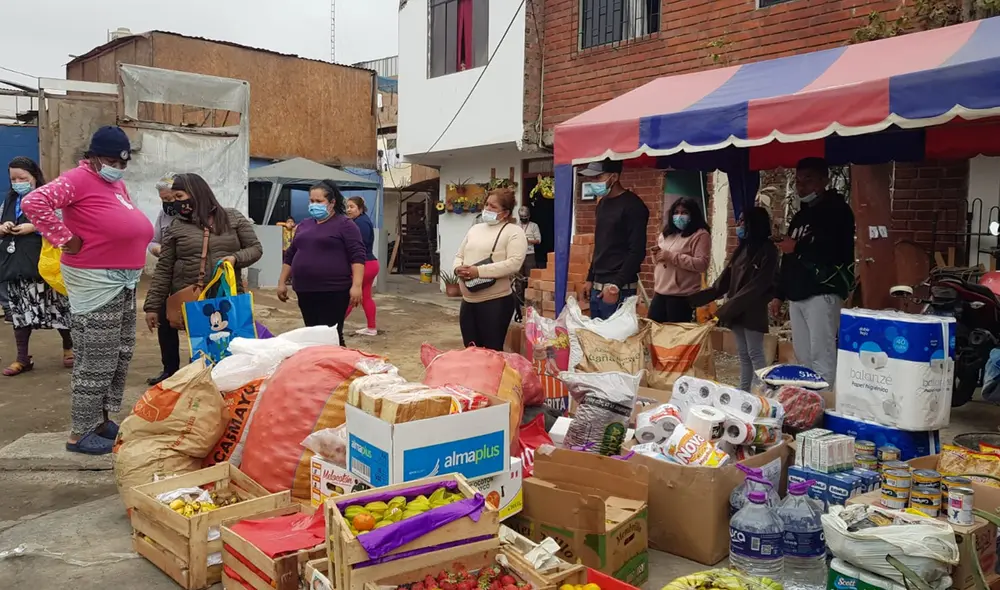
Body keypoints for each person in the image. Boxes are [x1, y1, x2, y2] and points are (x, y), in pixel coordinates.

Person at [22, 126, 154, 455]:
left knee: (119, 353)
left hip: (122, 281)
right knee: (95, 357)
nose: (118, 167)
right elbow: (34, 202)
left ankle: (101, 419)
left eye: (123, 162)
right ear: (93, 158)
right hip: (95, 282)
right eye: (112, 160)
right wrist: (65, 238)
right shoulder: (78, 179)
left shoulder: (115, 183)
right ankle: (81, 432)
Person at [143, 173, 263, 375]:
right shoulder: (176, 226)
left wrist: (235, 258)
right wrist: (152, 307)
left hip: (226, 298)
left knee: (228, 350)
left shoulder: (232, 218)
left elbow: (255, 248)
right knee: (199, 352)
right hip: (192, 300)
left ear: (196, 193)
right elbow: (164, 268)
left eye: (179, 197)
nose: (177, 203)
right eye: (173, 199)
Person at [769, 157, 855, 385]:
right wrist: (779, 294)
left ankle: (825, 401)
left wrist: (797, 247)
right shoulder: (800, 216)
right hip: (798, 291)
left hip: (822, 290)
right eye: (797, 180)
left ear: (824, 180)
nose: (801, 186)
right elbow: (787, 257)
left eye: (808, 179)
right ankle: (806, 401)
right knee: (803, 356)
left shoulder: (838, 211)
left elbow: (833, 248)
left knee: (822, 353)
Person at [690, 207, 779, 390]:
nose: (738, 226)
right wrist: (691, 300)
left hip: (752, 311)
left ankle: (764, 392)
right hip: (736, 311)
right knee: (744, 355)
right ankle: (744, 391)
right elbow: (722, 283)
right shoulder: (742, 249)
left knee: (755, 353)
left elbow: (756, 287)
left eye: (742, 222)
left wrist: (724, 311)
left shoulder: (768, 251)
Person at [0, 157, 74, 376]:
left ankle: (69, 349)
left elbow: (62, 225)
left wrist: (33, 227)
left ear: (34, 177)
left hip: (43, 266)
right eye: (13, 178)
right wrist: (3, 226)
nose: (17, 182)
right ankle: (22, 358)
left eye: (23, 178)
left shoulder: (47, 197)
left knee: (59, 309)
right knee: (19, 313)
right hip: (16, 266)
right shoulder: (9, 201)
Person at [278, 180, 364, 345]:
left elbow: (357, 256)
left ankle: (338, 367)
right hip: (305, 289)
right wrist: (282, 281)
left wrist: (357, 285)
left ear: (332, 203)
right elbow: (290, 254)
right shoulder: (304, 225)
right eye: (311, 201)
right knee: (312, 334)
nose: (314, 205)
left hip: (333, 290)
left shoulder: (345, 225)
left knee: (331, 335)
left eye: (319, 201)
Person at [453, 188, 527, 351]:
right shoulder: (475, 229)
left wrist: (478, 271)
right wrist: (458, 268)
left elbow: (514, 263)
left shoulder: (514, 232)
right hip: (469, 301)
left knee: (492, 351)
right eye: (486, 204)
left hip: (495, 302)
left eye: (493, 207)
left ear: (505, 212)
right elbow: (459, 254)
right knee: (471, 350)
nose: (487, 209)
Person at [577, 159, 649, 320]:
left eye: (598, 178)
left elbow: (636, 251)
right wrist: (590, 278)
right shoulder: (602, 205)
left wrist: (616, 284)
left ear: (614, 177)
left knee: (615, 341)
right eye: (592, 179)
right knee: (598, 340)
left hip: (619, 289)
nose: (593, 182)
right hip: (597, 286)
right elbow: (601, 245)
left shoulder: (633, 206)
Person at [648, 197, 711, 323]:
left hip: (681, 296)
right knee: (653, 331)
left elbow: (702, 264)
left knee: (675, 337)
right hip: (660, 292)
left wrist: (671, 256)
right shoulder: (667, 233)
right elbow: (660, 261)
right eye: (676, 212)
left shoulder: (700, 235)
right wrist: (656, 255)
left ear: (692, 215)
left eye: (684, 212)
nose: (679, 216)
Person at [146, 172, 180, 385]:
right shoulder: (163, 215)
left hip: (190, 277)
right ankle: (170, 370)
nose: (167, 204)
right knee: (165, 324)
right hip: (166, 275)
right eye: (163, 200)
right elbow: (152, 241)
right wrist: (157, 249)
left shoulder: (197, 213)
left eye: (170, 199)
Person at [345, 196, 379, 336]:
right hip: (371, 264)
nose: (349, 210)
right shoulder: (363, 221)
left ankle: (334, 327)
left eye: (352, 207)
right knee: (366, 297)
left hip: (363, 265)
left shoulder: (360, 224)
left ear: (360, 208)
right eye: (347, 206)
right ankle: (371, 328)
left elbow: (358, 246)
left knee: (349, 297)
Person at [517, 206, 541, 276]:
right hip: (518, 254)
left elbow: (539, 240)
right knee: (518, 275)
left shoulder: (534, 226)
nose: (523, 219)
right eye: (522, 217)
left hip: (529, 254)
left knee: (530, 275)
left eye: (525, 217)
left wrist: (528, 241)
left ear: (529, 216)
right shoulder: (516, 226)